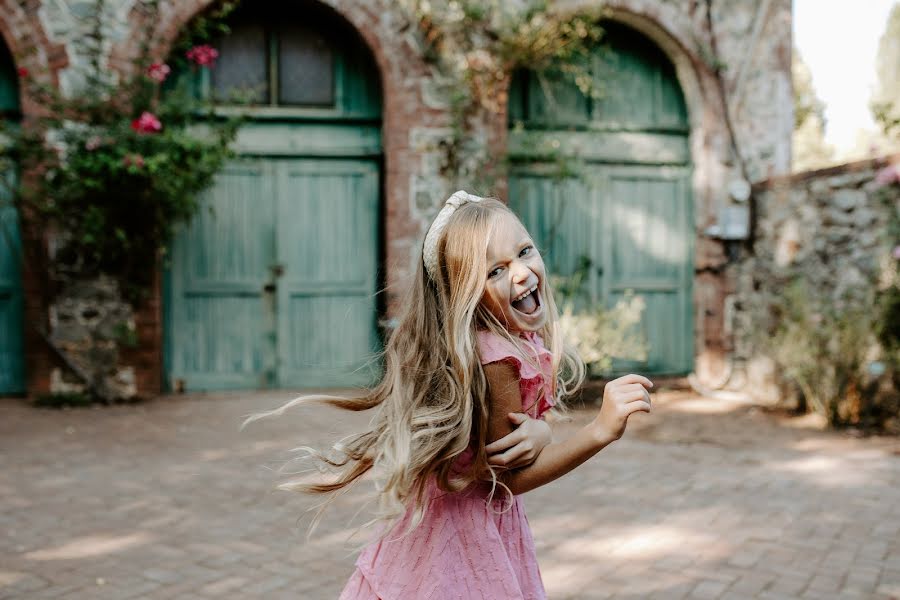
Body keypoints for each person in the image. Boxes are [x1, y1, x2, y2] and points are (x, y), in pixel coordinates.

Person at [246, 191, 653, 599]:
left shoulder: (501, 341)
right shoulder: (496, 359)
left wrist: (541, 432)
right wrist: (599, 431)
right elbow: (502, 480)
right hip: (459, 543)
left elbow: (502, 445)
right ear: (466, 294)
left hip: (447, 534)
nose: (521, 273)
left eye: (524, 251)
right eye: (494, 271)